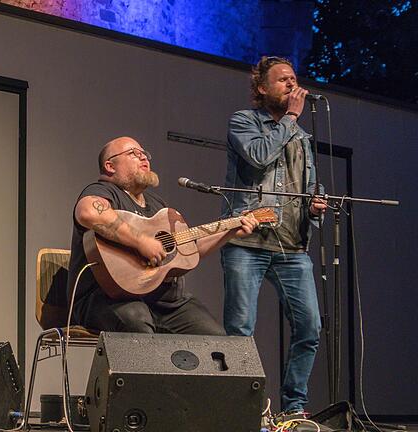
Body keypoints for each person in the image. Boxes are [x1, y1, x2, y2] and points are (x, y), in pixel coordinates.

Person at [220, 56, 327, 415]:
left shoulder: (303, 139)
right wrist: (292, 119)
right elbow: (258, 157)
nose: (292, 86)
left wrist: (314, 205)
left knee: (309, 326)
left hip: (292, 247)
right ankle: (241, 411)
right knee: (240, 329)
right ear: (262, 88)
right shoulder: (244, 121)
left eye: (294, 80)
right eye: (283, 80)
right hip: (246, 242)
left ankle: (294, 407)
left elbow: (308, 185)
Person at [67, 136, 258, 335]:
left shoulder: (158, 206)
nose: (144, 159)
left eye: (145, 154)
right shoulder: (104, 191)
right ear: (110, 166)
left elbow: (188, 250)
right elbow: (88, 212)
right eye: (134, 154)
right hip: (108, 298)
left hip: (163, 302)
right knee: (136, 318)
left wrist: (230, 230)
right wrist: (141, 241)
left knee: (214, 338)